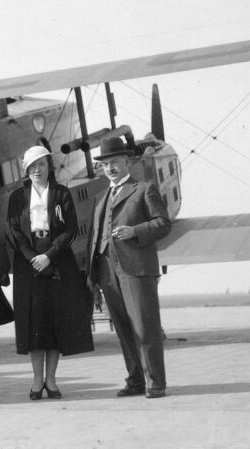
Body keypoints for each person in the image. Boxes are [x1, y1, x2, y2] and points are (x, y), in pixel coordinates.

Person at [86, 136, 172, 399]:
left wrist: (135, 230)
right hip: (106, 270)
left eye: (114, 162)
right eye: (105, 164)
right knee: (124, 329)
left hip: (135, 268)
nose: (110, 168)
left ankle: (155, 382)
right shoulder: (101, 198)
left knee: (145, 327)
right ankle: (135, 380)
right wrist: (92, 275)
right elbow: (94, 236)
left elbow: (163, 223)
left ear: (127, 162)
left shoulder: (144, 189)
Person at [6, 146, 94, 400]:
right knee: (35, 327)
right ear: (26, 169)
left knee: (55, 325)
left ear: (49, 167)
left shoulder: (61, 193)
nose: (37, 170)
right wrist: (32, 257)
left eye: (41, 165)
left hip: (56, 264)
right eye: (32, 166)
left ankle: (52, 381)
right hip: (28, 267)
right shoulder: (16, 198)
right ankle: (36, 381)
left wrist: (49, 256)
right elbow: (13, 231)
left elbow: (70, 229)